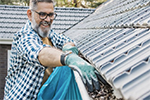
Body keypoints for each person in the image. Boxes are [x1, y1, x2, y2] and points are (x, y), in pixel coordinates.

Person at [4, 0, 100, 99]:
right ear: (29, 14)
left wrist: (69, 47)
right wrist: (69, 58)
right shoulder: (24, 36)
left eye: (51, 15)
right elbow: (40, 54)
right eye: (42, 14)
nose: (48, 19)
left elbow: (68, 41)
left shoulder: (48, 33)